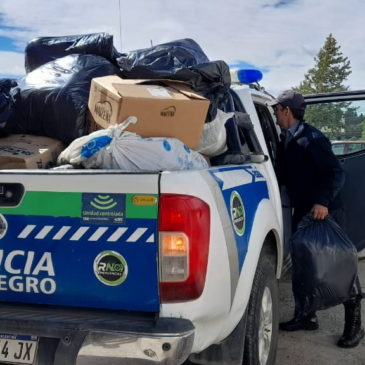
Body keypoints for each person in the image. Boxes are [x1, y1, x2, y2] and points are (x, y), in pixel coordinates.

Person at [272, 89, 364, 348]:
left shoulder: (312, 139)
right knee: (305, 265)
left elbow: (336, 173)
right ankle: (306, 316)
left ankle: (355, 327)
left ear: (287, 111)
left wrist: (322, 202)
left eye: (276, 110)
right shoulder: (286, 137)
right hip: (303, 211)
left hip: (326, 211)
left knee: (340, 268)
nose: (275, 114)